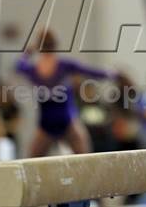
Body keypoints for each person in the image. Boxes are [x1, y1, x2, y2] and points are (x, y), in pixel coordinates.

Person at [16, 28, 117, 156]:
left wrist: (27, 52)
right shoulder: (64, 65)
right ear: (56, 45)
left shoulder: (34, 70)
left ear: (39, 47)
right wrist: (113, 73)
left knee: (31, 161)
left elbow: (18, 66)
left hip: (46, 122)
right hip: (67, 120)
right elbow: (91, 71)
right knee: (85, 159)